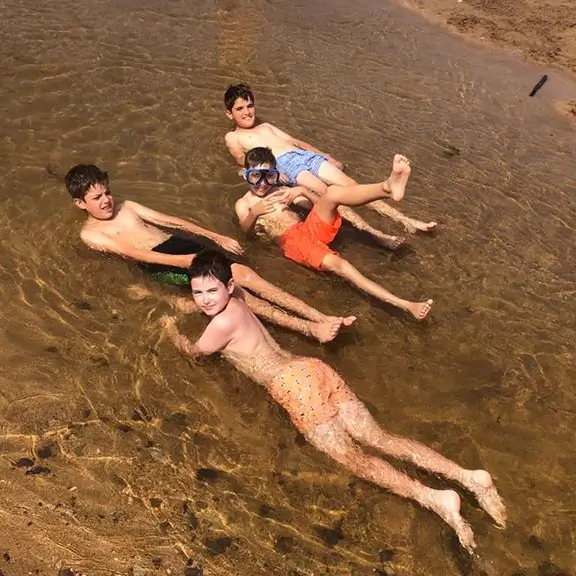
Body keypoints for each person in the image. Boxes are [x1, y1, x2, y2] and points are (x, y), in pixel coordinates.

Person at [160, 249, 506, 553]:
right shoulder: (238, 301)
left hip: (292, 387)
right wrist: (186, 304)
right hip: (311, 369)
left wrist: (170, 330)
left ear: (227, 288)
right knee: (379, 438)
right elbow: (216, 307)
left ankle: (433, 497)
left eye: (210, 291)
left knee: (352, 458)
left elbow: (196, 353)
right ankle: (467, 476)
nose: (204, 299)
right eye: (198, 292)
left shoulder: (219, 324)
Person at [65, 164, 356, 343]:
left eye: (107, 193)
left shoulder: (125, 206)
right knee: (236, 297)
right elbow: (133, 254)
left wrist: (214, 236)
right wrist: (184, 262)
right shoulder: (90, 234)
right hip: (161, 262)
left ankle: (319, 315)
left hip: (179, 246)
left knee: (245, 275)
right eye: (97, 198)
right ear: (80, 203)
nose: (106, 200)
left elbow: (171, 221)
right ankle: (308, 328)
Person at [235, 147, 433, 320]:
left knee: (333, 193)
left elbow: (318, 205)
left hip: (308, 228)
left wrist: (302, 191)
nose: (262, 183)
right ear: (246, 174)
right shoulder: (244, 203)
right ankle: (406, 305)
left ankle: (387, 187)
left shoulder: (279, 190)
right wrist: (254, 212)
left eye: (268, 176)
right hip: (292, 241)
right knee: (342, 265)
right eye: (255, 176)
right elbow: (246, 232)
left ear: (275, 174)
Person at [223, 83, 437, 235]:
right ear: (230, 114)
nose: (247, 112)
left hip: (305, 157)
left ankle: (404, 220)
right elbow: (241, 158)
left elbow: (296, 142)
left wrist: (323, 155)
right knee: (329, 196)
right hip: (285, 165)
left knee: (352, 185)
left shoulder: (265, 126)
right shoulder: (233, 136)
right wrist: (276, 174)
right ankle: (373, 233)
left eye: (250, 106)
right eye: (240, 109)